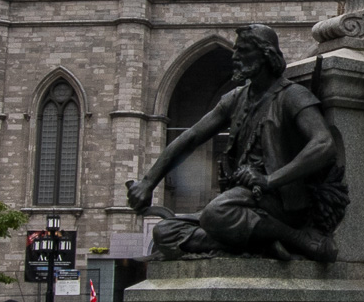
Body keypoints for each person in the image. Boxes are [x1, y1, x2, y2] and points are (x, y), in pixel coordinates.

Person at [127, 25, 348, 261]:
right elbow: (190, 137)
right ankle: (263, 241)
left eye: (242, 51)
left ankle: (296, 238)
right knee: (165, 232)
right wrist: (148, 182)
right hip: (242, 202)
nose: (235, 57)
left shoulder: (292, 96)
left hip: (279, 202)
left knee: (215, 214)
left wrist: (269, 180)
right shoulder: (236, 98)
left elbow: (324, 145)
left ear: (265, 54)